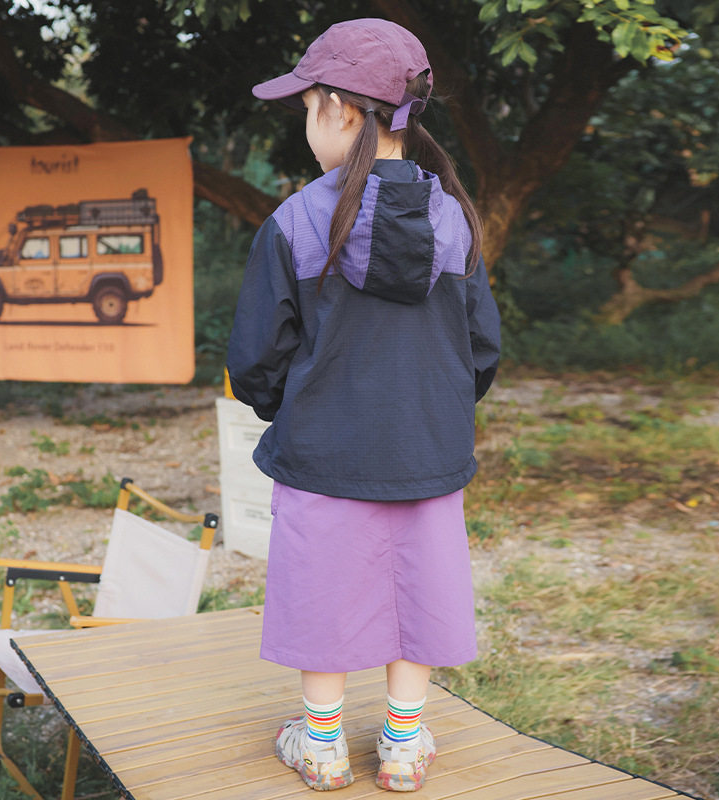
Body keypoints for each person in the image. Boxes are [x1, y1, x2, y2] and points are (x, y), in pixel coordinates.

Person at [227, 17, 500, 792]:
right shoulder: (454, 220)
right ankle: (403, 745)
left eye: (307, 107)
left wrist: (293, 407)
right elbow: (482, 351)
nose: (307, 124)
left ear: (340, 110)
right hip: (427, 453)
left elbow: (255, 357)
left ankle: (320, 745)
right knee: (418, 590)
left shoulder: (294, 222)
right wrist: (437, 413)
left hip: (322, 453)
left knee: (323, 592)